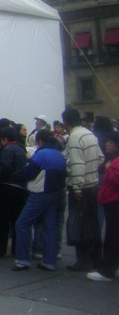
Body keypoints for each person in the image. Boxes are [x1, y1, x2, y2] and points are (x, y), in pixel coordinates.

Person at [13, 129, 66, 271]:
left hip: (39, 193)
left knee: (22, 224)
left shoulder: (41, 154)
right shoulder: (59, 155)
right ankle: (49, 261)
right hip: (55, 193)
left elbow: (28, 173)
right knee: (50, 228)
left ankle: (22, 260)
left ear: (40, 141)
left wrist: (27, 161)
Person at [62, 108, 104, 271]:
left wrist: (77, 187)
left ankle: (83, 259)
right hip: (93, 184)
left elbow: (77, 164)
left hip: (82, 187)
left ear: (66, 122)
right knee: (93, 223)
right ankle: (95, 257)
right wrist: (91, 170)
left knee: (80, 224)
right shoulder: (89, 134)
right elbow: (100, 157)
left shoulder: (74, 137)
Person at [0, 126, 28, 258]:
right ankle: (16, 249)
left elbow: (5, 167)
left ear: (5, 139)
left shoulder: (7, 149)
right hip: (21, 188)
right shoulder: (22, 149)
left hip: (7, 187)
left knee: (2, 221)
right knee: (16, 220)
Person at [88, 132, 119, 281]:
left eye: (110, 142)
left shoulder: (115, 162)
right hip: (110, 201)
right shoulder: (112, 160)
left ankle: (107, 270)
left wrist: (109, 169)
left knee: (112, 236)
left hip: (115, 201)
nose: (107, 144)